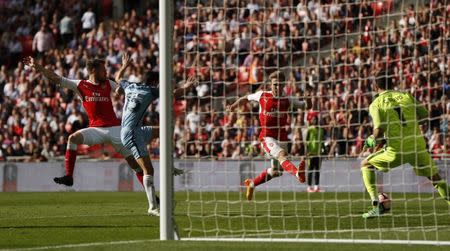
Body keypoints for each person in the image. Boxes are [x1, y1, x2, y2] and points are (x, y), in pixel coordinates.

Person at [22, 56, 145, 187]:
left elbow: (123, 91)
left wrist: (123, 69)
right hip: (96, 130)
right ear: (93, 71)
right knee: (72, 138)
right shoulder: (80, 85)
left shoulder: (108, 83)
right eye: (103, 70)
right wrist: (38, 67)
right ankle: (69, 176)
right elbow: (55, 78)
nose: (106, 72)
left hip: (115, 129)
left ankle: (152, 196)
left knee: (136, 166)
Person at [360, 71, 450, 218]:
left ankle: (376, 205)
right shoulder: (406, 96)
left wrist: (370, 140)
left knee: (365, 164)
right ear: (392, 84)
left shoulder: (376, 104)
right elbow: (424, 114)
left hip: (397, 149)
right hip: (417, 146)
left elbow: (378, 131)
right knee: (436, 178)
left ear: (375, 86)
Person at [115, 53, 195, 216]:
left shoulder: (130, 86)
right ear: (154, 82)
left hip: (134, 129)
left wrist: (124, 66)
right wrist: (186, 88)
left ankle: (169, 165)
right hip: (131, 133)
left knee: (164, 130)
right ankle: (152, 207)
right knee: (148, 169)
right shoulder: (150, 91)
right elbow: (171, 94)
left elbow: (117, 79)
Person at [227, 71, 306, 201]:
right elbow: (245, 98)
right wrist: (233, 106)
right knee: (281, 155)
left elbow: (304, 106)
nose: (277, 87)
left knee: (276, 172)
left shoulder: (288, 99)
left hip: (282, 138)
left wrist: (308, 101)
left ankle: (252, 184)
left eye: (279, 84)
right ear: (271, 84)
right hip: (267, 137)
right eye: (275, 84)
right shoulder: (262, 95)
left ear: (283, 85)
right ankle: (298, 173)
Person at [305, 115, 324, 192]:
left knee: (317, 170)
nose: (315, 121)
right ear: (311, 121)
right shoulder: (309, 129)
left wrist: (323, 151)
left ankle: (316, 187)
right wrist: (307, 151)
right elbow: (306, 141)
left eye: (316, 119)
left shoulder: (321, 130)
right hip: (311, 153)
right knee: (310, 170)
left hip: (319, 153)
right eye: (313, 119)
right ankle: (309, 187)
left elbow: (322, 141)